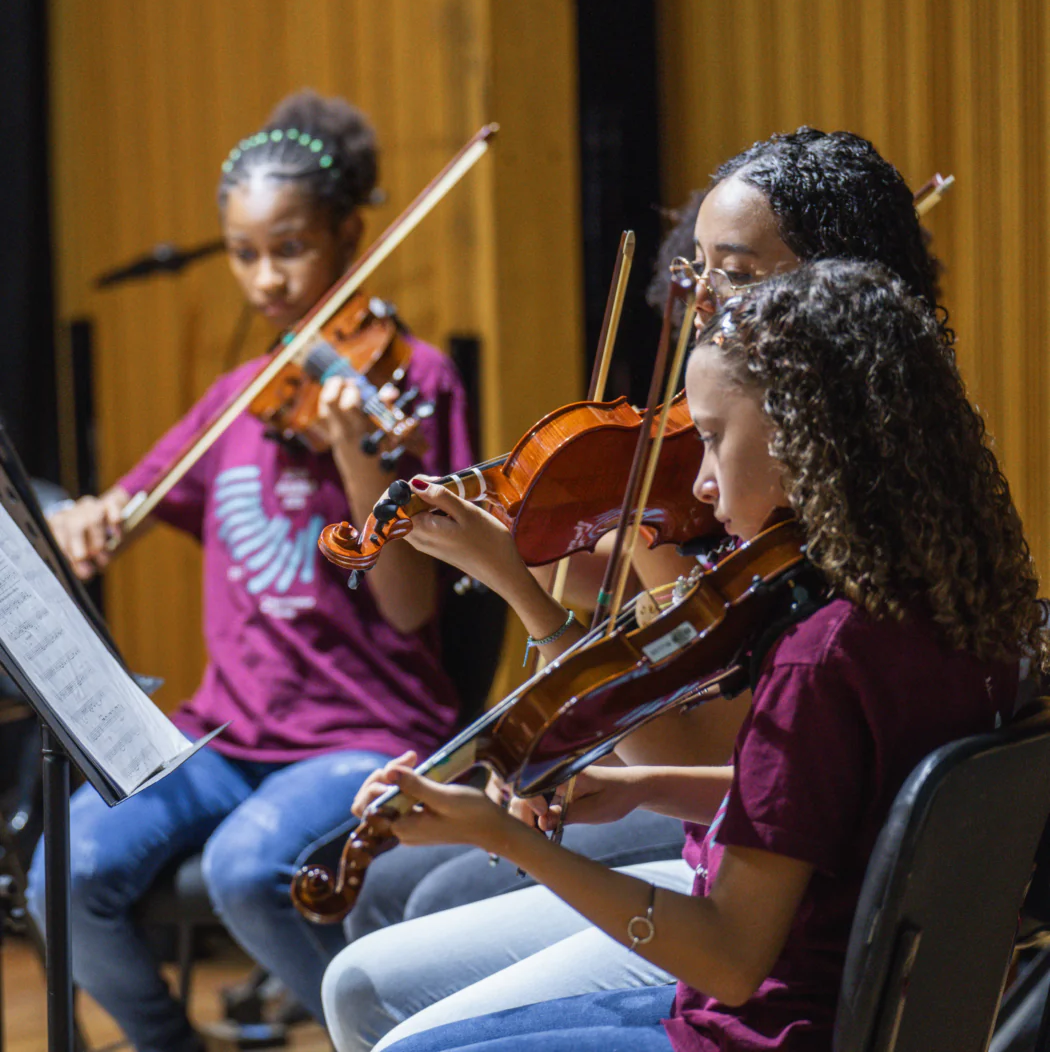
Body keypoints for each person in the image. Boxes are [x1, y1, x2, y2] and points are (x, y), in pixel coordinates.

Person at [318, 126, 955, 1052]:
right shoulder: (923, 533)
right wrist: (645, 787)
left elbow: (743, 878)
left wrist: (529, 596)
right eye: (696, 273)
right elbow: (811, 793)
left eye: (732, 274)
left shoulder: (830, 582)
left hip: (767, 961)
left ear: (832, 287)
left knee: (401, 998)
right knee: (366, 981)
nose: (699, 306)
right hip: (764, 904)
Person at [25, 90, 473, 1052]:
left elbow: (408, 609)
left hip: (367, 731)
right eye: (244, 253)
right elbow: (119, 511)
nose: (267, 279)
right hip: (226, 735)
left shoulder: (416, 384)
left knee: (246, 871)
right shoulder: (239, 400)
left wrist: (362, 458)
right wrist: (95, 523)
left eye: (292, 248)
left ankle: (396, 1041)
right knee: (60, 874)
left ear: (351, 233)